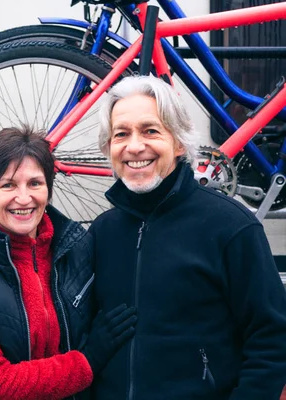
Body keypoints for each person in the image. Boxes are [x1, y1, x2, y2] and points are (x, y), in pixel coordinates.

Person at [88, 75, 286, 399]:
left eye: (150, 131)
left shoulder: (231, 227)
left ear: (179, 143)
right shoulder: (101, 232)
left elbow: (272, 340)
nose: (135, 146)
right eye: (121, 134)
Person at [0, 126, 138, 399]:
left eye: (35, 183)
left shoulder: (81, 247)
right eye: (7, 185)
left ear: (48, 190)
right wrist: (87, 361)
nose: (24, 198)